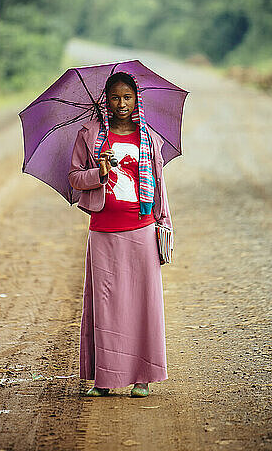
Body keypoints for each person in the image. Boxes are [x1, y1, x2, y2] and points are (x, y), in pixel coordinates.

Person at [68, 71, 173, 398]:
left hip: (141, 229)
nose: (122, 103)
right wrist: (99, 172)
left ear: (136, 100)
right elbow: (73, 177)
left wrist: (163, 224)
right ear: (106, 101)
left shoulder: (149, 140)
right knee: (107, 305)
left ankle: (142, 377)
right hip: (103, 231)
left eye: (128, 97)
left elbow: (159, 185)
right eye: (115, 97)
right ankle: (106, 379)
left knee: (143, 303)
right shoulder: (89, 136)